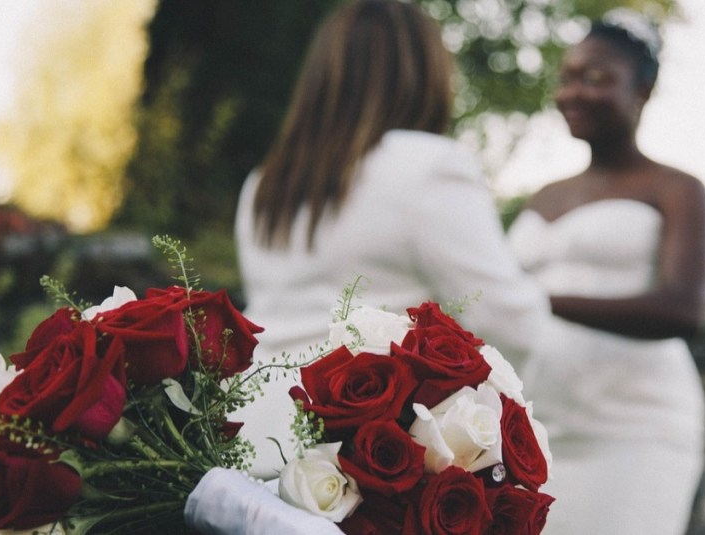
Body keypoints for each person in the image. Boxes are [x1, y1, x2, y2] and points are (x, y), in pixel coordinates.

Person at [229, 0, 565, 483]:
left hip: (249, 448)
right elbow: (515, 324)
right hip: (360, 468)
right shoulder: (429, 166)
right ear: (424, 74)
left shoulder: (265, 182)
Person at [505, 8, 705, 535]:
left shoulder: (676, 189)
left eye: (597, 78)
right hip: (532, 431)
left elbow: (684, 308)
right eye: (568, 77)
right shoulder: (543, 196)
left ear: (643, 90)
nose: (573, 92)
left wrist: (536, 300)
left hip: (635, 432)